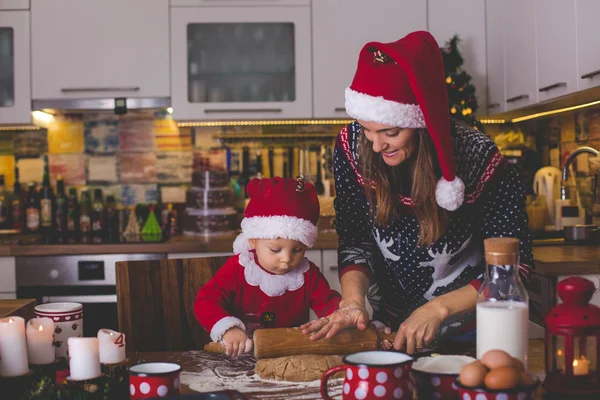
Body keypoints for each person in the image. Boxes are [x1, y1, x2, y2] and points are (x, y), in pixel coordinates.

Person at [301, 31, 534, 354]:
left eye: (391, 132)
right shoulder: (352, 147)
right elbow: (355, 240)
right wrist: (353, 301)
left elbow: (514, 267)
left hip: (475, 335)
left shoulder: (478, 157)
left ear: (422, 122)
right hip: (392, 330)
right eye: (367, 129)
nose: (376, 144)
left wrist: (437, 309)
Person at [194, 176, 341, 356]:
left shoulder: (307, 275)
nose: (286, 259)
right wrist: (228, 329)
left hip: (289, 354)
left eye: (297, 250)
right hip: (240, 355)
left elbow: (329, 305)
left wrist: (342, 316)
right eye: (275, 249)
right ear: (253, 241)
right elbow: (206, 301)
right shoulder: (238, 269)